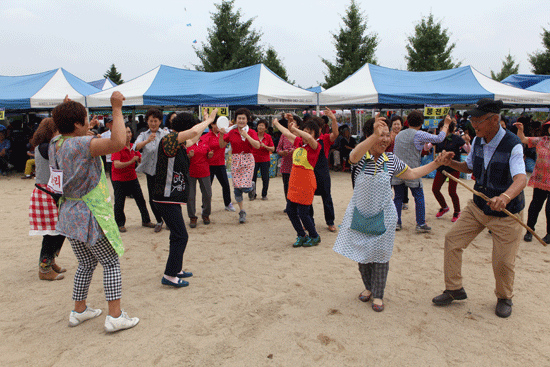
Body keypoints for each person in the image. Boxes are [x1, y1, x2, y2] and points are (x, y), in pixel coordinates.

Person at [333, 114, 453, 312]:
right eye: (381, 134)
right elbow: (353, 156)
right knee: (362, 255)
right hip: (360, 215)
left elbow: (413, 174)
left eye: (387, 135)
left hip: (384, 217)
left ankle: (378, 294)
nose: (385, 139)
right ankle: (369, 287)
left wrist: (437, 163)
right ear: (369, 135)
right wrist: (374, 136)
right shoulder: (361, 157)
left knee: (380, 256)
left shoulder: (391, 160)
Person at [50, 93, 139, 332]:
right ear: (77, 124)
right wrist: (117, 108)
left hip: (68, 212)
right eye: (86, 119)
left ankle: (79, 311)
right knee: (110, 262)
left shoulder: (55, 142)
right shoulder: (81, 144)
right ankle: (115, 316)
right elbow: (118, 143)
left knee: (86, 263)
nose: (90, 122)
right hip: (89, 213)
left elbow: (70, 132)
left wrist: (66, 110)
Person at [432, 99, 526, 319]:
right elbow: (470, 167)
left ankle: (504, 297)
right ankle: (454, 289)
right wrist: (450, 163)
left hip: (507, 213)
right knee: (452, 240)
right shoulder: (478, 141)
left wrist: (505, 196)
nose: (474, 124)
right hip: (478, 206)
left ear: (495, 119)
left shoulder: (513, 144)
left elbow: (521, 179)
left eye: (478, 120)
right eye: (472, 120)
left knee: (503, 260)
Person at [152, 109, 217, 288]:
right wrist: (210, 120)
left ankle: (176, 269)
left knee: (176, 235)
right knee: (181, 236)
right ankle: (170, 275)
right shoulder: (169, 139)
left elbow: (193, 138)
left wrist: (204, 121)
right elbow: (195, 132)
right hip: (165, 197)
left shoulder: (178, 143)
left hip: (170, 198)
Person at [392, 111, 450, 232]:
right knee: (418, 196)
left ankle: (396, 222)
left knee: (398, 197)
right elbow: (439, 138)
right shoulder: (418, 134)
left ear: (407, 121)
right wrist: (446, 125)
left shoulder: (399, 135)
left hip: (397, 169)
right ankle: (420, 223)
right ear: (421, 123)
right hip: (413, 170)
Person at [272, 114, 322, 248]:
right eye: (305, 131)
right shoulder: (300, 143)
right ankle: (301, 234)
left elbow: (309, 138)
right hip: (294, 182)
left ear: (315, 135)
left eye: (308, 132)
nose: (306, 134)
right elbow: (287, 133)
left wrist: (297, 130)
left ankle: (314, 235)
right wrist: (276, 124)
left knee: (303, 212)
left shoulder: (315, 146)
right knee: (290, 210)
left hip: (306, 182)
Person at [28, 118, 66, 281]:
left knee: (58, 231)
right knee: (52, 233)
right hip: (47, 194)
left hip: (50, 193)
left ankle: (50, 261)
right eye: (57, 131)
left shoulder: (44, 146)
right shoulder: (44, 147)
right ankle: (44, 268)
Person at [218, 108, 260, 224]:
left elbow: (257, 146)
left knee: (245, 188)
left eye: (243, 118)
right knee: (237, 189)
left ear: (247, 120)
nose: (241, 121)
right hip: (236, 159)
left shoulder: (251, 132)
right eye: (239, 118)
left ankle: (251, 186)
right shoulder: (231, 132)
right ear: (235, 119)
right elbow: (222, 145)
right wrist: (221, 135)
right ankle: (242, 211)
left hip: (247, 159)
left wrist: (246, 136)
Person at [111, 125, 155, 233]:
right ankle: (120, 224)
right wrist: (131, 162)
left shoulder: (133, 146)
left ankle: (146, 220)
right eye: (125, 132)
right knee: (120, 202)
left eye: (129, 132)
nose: (128, 134)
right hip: (119, 179)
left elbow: (140, 159)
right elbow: (116, 165)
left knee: (140, 199)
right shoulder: (117, 148)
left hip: (132, 177)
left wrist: (141, 160)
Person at [134, 108, 171, 233]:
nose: (153, 123)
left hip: (163, 172)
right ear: (147, 122)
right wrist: (147, 141)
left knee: (165, 197)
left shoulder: (165, 134)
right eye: (151, 121)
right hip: (150, 172)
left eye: (155, 121)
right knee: (152, 198)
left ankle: (169, 220)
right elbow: (136, 147)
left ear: (160, 121)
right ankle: (159, 221)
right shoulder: (143, 135)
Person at [514, 119, 550, 244]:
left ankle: (549, 234)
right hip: (540, 180)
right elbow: (523, 139)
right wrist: (520, 130)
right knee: (535, 206)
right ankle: (529, 231)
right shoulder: (541, 140)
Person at [431, 118, 469, 223]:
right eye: (441, 128)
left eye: (444, 127)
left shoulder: (457, 138)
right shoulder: (439, 139)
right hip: (442, 168)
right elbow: (426, 148)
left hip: (454, 167)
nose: (442, 130)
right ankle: (444, 207)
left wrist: (468, 142)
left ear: (450, 128)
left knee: (452, 191)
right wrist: (426, 141)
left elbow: (468, 150)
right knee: (435, 189)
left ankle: (457, 212)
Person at [311, 107, 339, 232]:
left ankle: (330, 222)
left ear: (321, 129)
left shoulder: (325, 139)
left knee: (327, 197)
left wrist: (333, 119)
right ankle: (309, 221)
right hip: (309, 172)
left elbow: (336, 134)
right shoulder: (307, 139)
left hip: (323, 173)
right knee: (308, 198)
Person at [185, 113, 213, 228]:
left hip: (204, 171)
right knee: (190, 196)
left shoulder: (205, 140)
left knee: (207, 194)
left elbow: (209, 153)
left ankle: (205, 214)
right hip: (190, 172)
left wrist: (210, 155)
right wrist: (188, 156)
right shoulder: (186, 142)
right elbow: (181, 158)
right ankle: (192, 217)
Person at [203, 116, 235, 212]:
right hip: (209, 165)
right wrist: (207, 153)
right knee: (207, 188)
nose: (218, 126)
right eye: (216, 123)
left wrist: (231, 126)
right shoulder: (205, 136)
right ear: (212, 124)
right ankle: (204, 206)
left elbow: (233, 134)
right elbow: (203, 149)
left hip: (220, 164)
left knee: (225, 184)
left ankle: (228, 204)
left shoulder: (224, 135)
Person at [251, 119, 274, 200]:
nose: (260, 127)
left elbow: (273, 149)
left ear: (265, 128)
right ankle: (252, 194)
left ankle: (264, 195)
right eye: (259, 125)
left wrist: (265, 146)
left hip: (265, 160)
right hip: (253, 160)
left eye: (262, 125)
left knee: (265, 178)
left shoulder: (268, 137)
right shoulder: (253, 135)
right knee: (252, 178)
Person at [276, 117, 296, 212]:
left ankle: (295, 205)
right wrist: (282, 152)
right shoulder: (284, 135)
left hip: (297, 165)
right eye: (289, 123)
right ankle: (289, 205)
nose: (291, 125)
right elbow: (278, 149)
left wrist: (295, 151)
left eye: (293, 123)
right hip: (286, 165)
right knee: (286, 186)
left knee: (296, 186)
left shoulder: (300, 136)